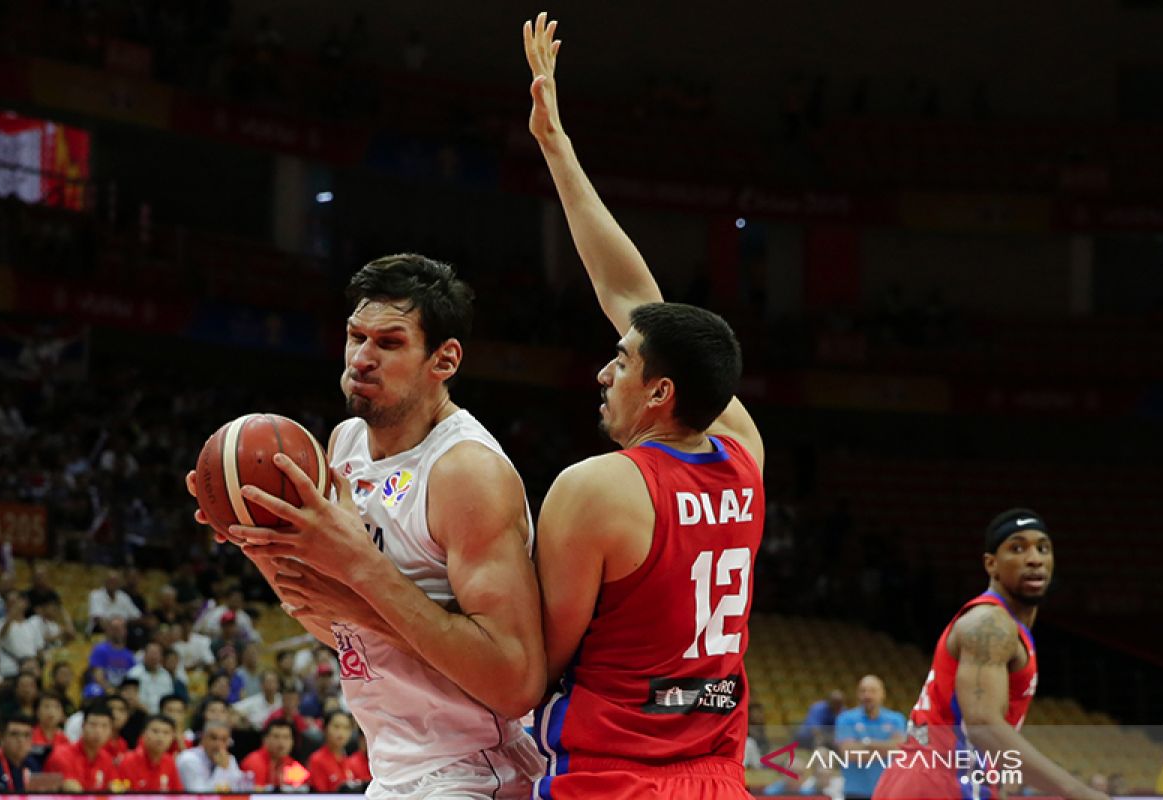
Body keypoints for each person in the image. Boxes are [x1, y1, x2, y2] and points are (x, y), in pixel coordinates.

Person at [189, 252, 546, 798]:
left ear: (444, 360)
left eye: (390, 343)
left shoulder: (465, 472)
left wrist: (361, 576)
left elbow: (515, 681)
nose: (362, 358)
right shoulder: (346, 444)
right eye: (356, 337)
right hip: (392, 767)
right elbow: (344, 631)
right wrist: (261, 546)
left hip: (474, 770)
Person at [524, 13, 765, 799]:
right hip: (719, 773)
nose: (603, 371)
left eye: (620, 364)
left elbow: (535, 667)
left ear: (661, 393)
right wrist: (555, 146)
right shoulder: (742, 450)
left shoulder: (598, 488)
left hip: (611, 778)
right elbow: (632, 297)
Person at [873, 509, 1108, 800]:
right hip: (938, 784)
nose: (1034, 558)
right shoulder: (990, 623)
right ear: (991, 564)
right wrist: (1078, 792)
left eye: (1042, 548)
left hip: (931, 779)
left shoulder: (1005, 626)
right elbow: (983, 727)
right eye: (1017, 548)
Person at [834, 675, 906, 798]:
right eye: (863, 691)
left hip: (889, 791)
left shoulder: (896, 719)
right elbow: (849, 753)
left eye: (873, 691)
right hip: (855, 792)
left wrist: (867, 743)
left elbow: (899, 749)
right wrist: (887, 748)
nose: (867, 695)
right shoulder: (845, 719)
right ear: (857, 694)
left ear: (882, 693)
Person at [44, 701, 122, 792]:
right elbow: (72, 790)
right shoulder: (62, 755)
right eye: (93, 725)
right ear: (83, 726)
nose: (98, 731)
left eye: (104, 726)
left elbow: (116, 787)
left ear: (111, 731)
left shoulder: (107, 759)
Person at [175, 717, 252, 792]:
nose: (218, 744)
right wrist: (221, 769)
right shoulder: (188, 759)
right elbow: (200, 796)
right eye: (213, 738)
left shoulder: (229, 759)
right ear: (203, 738)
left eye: (224, 739)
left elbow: (239, 789)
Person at [117, 714, 184, 792]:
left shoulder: (170, 762)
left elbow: (178, 795)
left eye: (166, 733)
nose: (160, 737)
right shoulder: (128, 761)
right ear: (143, 734)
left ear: (172, 737)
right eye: (155, 731)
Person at [240, 718, 306, 791]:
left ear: (292, 742)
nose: (281, 743)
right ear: (265, 740)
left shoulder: (293, 764)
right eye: (276, 737)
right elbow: (256, 793)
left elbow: (303, 790)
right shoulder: (254, 762)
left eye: (286, 737)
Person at [307, 710, 364, 792]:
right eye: (336, 726)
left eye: (346, 728)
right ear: (325, 728)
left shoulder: (351, 761)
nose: (341, 733)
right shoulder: (317, 760)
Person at [0, 713, 41, 793]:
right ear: (1, 738)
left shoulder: (34, 765)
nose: (21, 740)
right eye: (14, 734)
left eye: (26, 735)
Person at [84, 617, 135, 696]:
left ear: (125, 631)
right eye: (114, 628)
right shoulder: (100, 650)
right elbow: (98, 676)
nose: (117, 632)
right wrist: (111, 691)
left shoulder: (129, 655)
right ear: (108, 631)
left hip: (122, 692)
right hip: (103, 690)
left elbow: (131, 679)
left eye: (119, 628)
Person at [127, 640, 174, 714]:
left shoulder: (166, 675)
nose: (154, 656)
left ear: (161, 657)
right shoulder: (134, 674)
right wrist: (149, 713)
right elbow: (131, 698)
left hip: (162, 715)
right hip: (140, 713)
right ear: (144, 654)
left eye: (157, 653)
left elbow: (169, 697)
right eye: (151, 653)